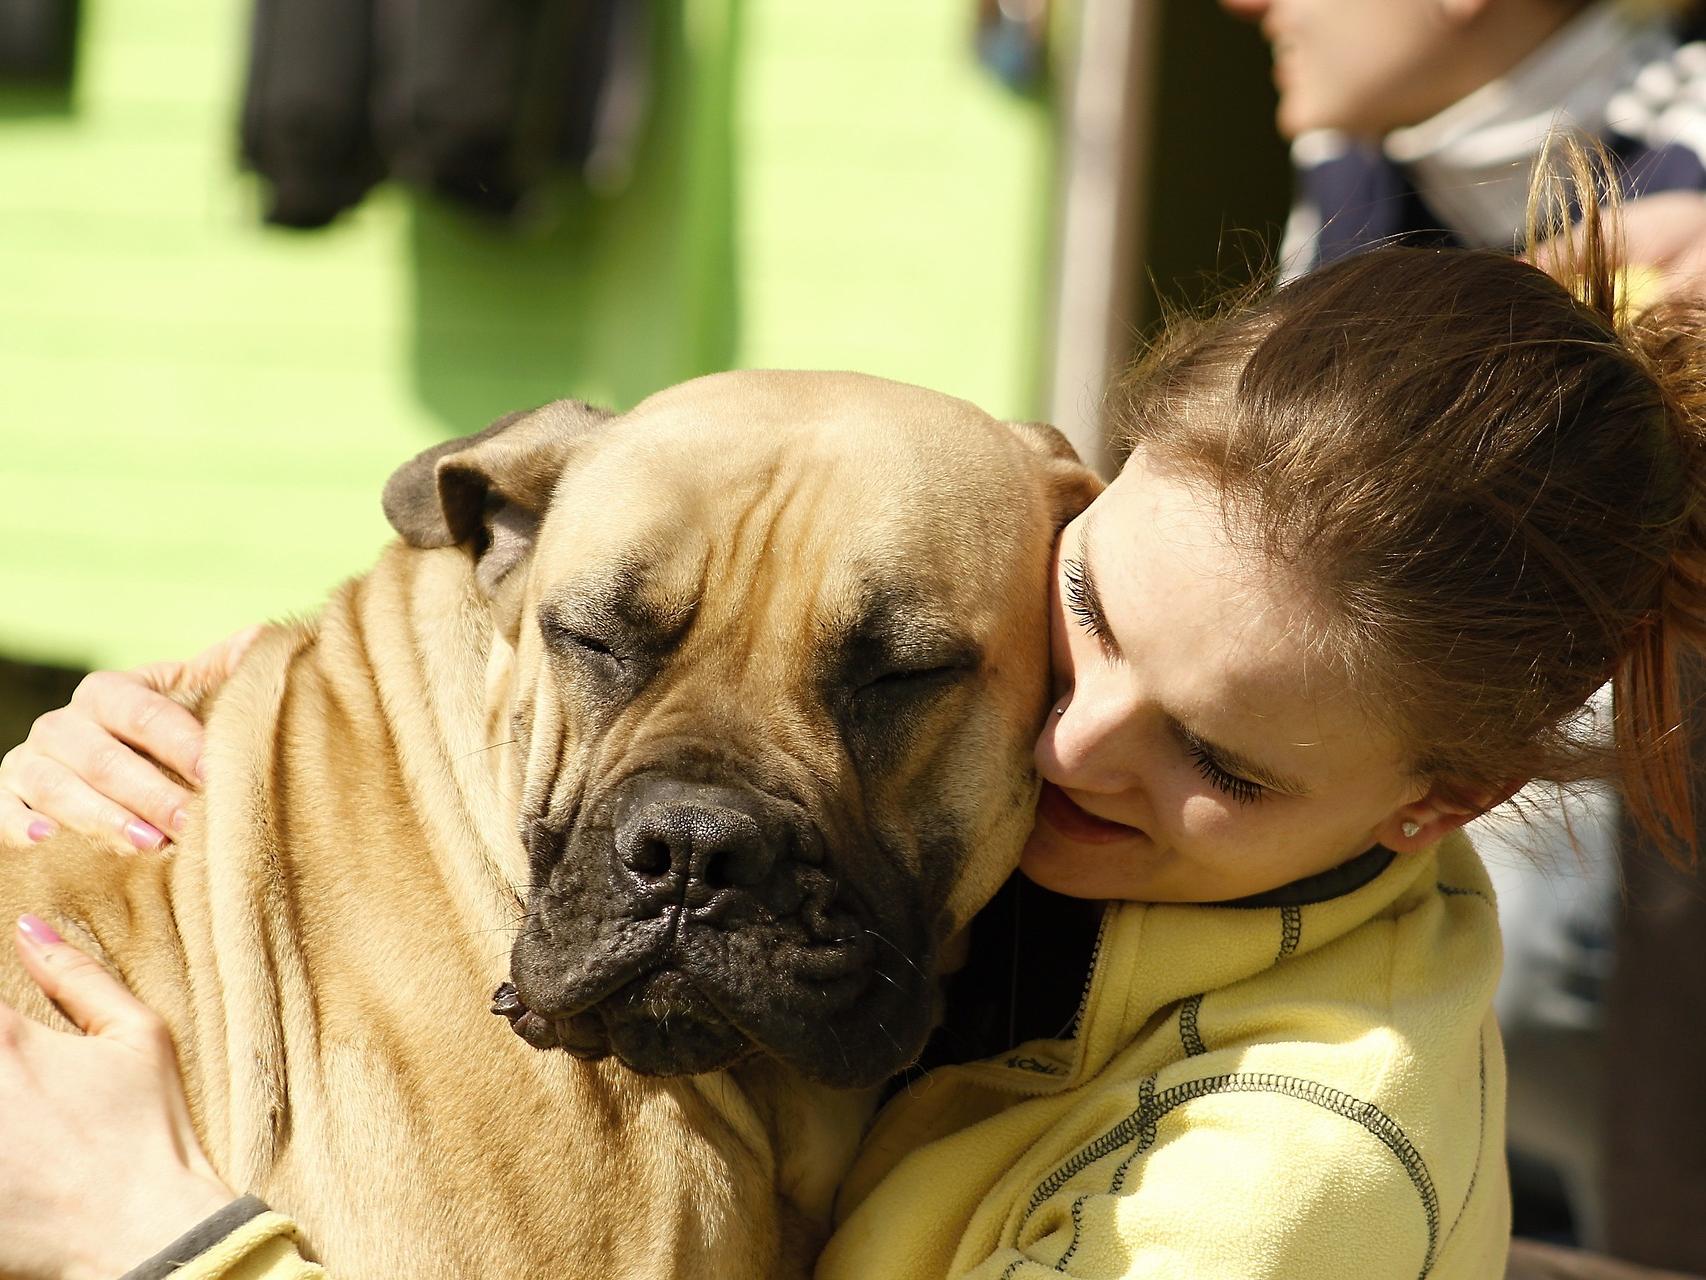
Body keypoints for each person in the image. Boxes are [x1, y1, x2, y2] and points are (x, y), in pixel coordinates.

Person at [3, 151, 1704, 1278]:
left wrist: (171, 1240)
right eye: (1086, 620)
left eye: (1218, 761)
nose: (1072, 752)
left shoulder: (1269, 1183)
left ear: (1438, 802)